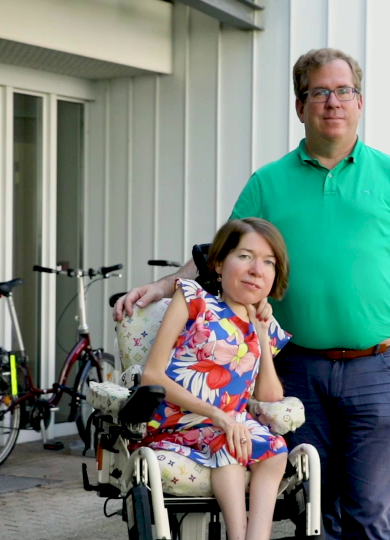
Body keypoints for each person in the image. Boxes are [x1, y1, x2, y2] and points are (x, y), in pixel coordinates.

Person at [115, 48, 390, 540]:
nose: (333, 102)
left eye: (344, 91)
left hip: (380, 367)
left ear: (360, 102)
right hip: (298, 371)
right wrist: (162, 286)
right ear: (299, 105)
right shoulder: (269, 182)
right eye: (320, 92)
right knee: (314, 509)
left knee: (371, 510)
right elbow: (221, 252)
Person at [137, 218, 293, 540]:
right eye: (245, 256)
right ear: (219, 263)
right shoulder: (194, 299)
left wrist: (262, 336)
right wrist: (219, 417)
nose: (256, 269)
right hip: (180, 421)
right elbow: (152, 375)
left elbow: (270, 397)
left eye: (268, 262)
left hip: (230, 425)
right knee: (232, 439)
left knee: (276, 448)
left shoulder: (266, 325)